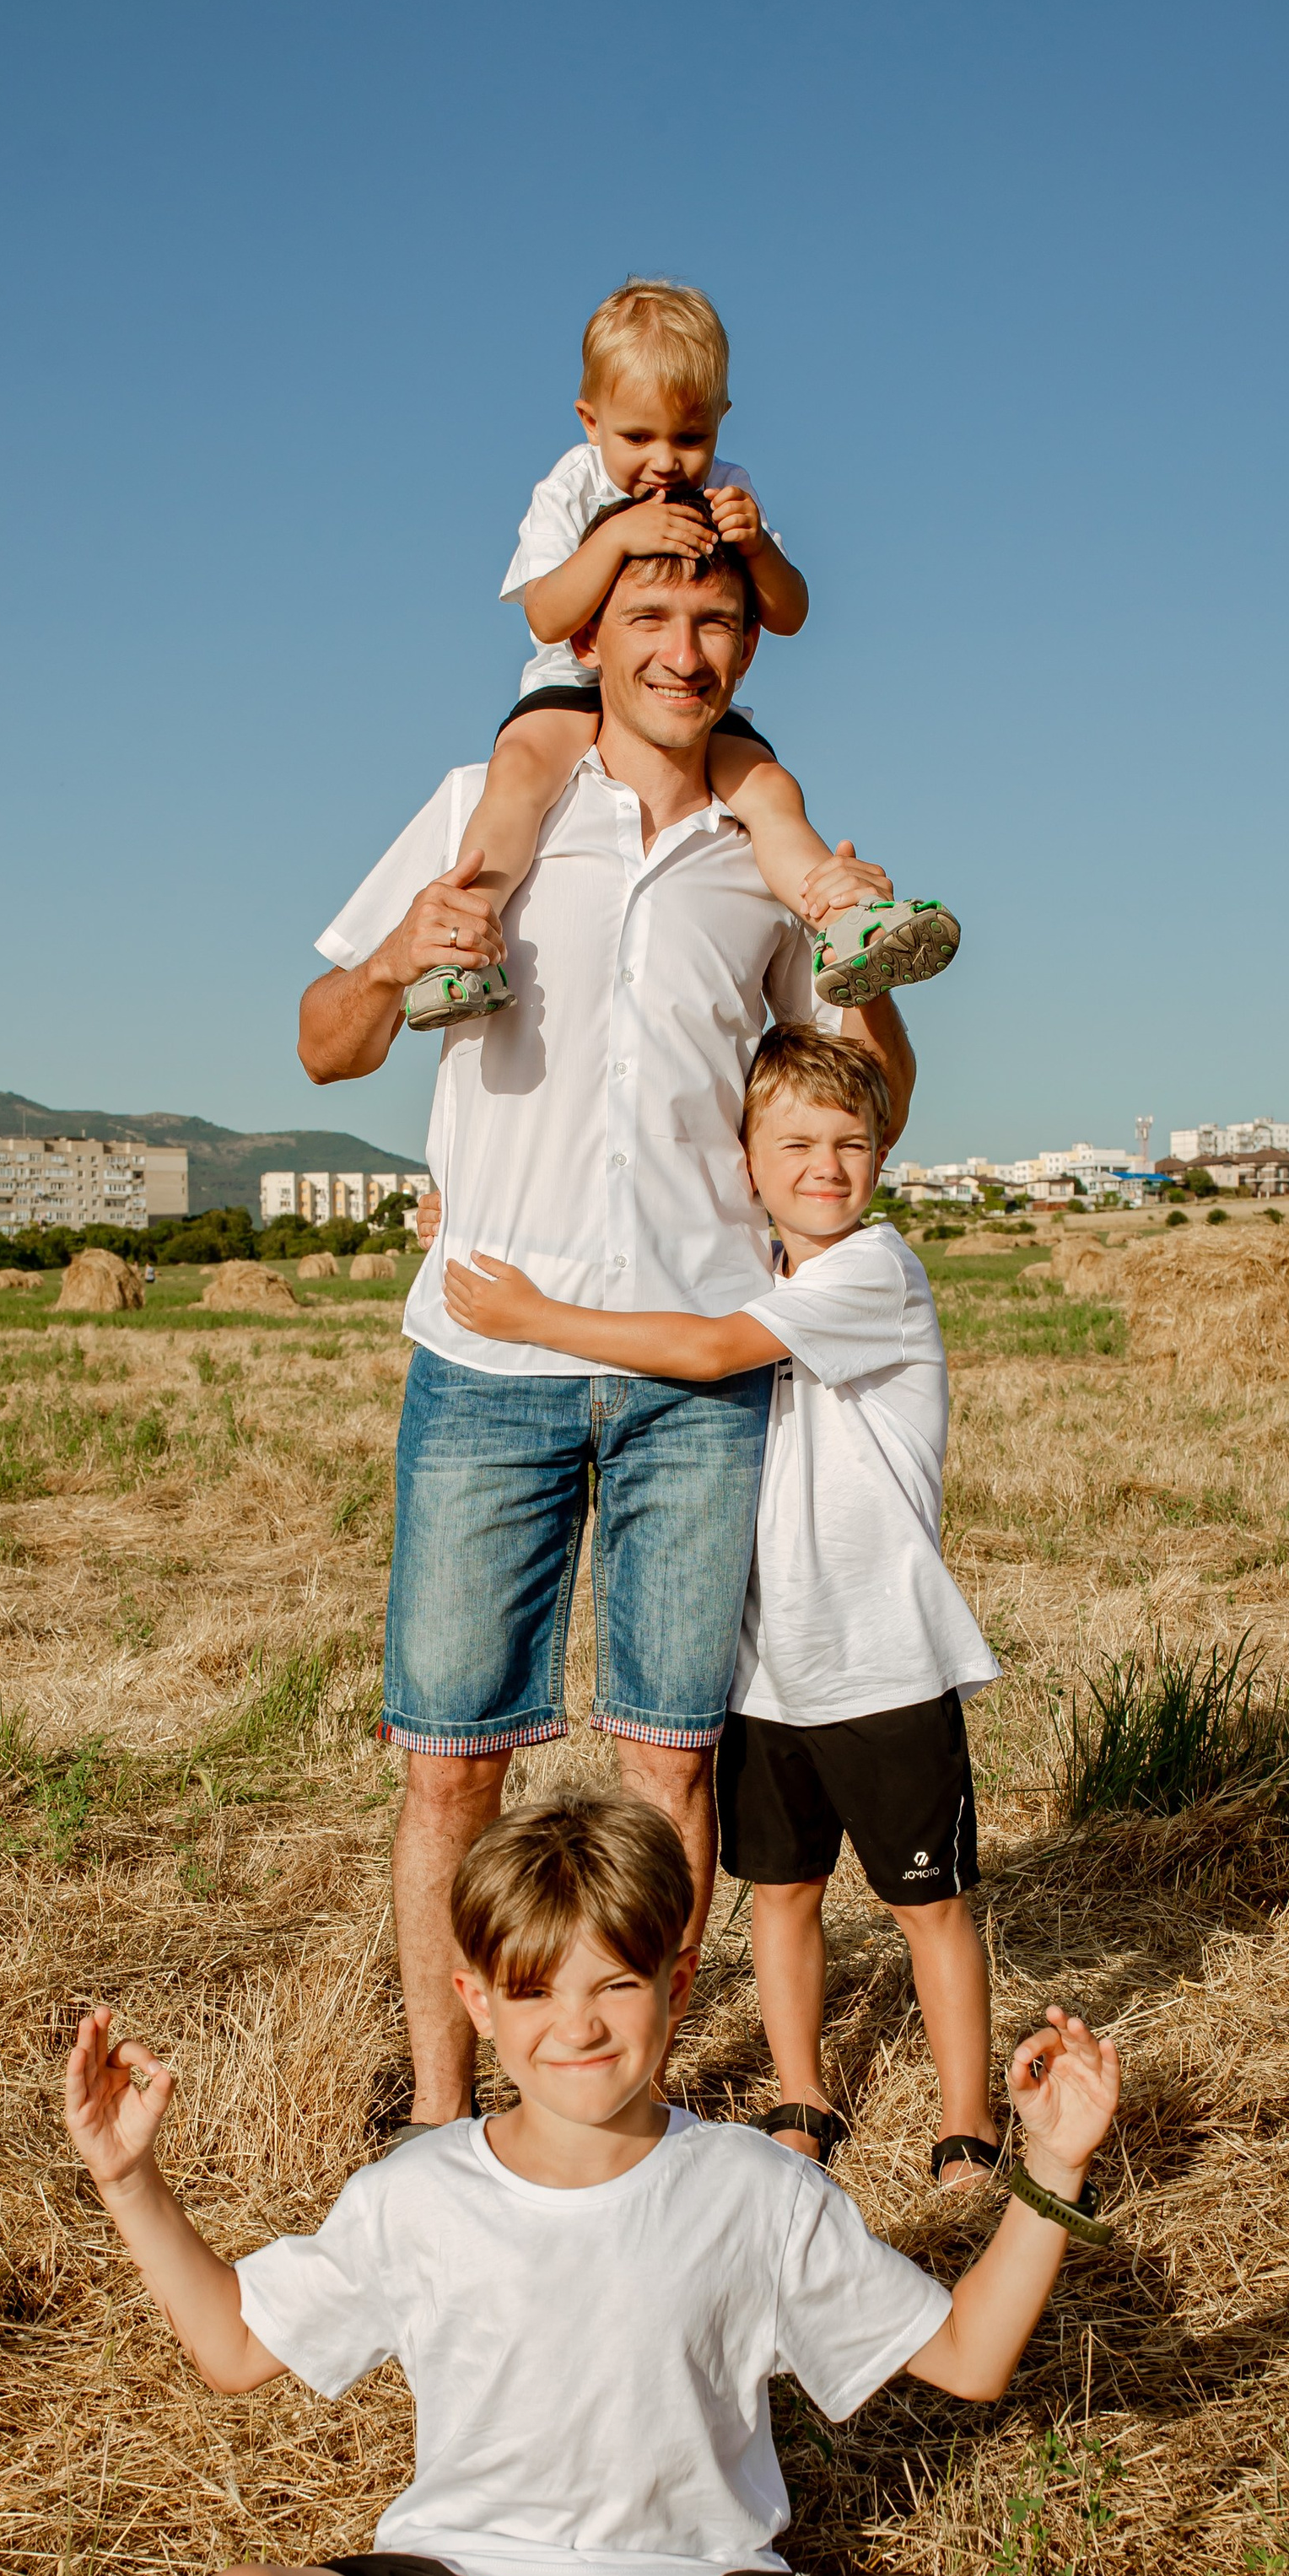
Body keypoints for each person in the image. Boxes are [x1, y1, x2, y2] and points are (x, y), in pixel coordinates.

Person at [60, 1794, 1120, 2576]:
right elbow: (230, 2346)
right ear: (473, 2000)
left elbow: (969, 2356)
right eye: (532, 1991)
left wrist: (1051, 2171)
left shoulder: (755, 2188)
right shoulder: (414, 2197)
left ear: (675, 1986)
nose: (577, 2026)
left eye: (613, 1983)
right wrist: (128, 2179)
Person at [299, 482, 922, 2143]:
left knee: (670, 1766)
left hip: (691, 1380)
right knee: (448, 1766)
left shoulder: (756, 845)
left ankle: (635, 2090)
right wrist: (392, 965)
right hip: (486, 1362)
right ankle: (442, 2114)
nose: (683, 647)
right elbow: (321, 1042)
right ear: (587, 636)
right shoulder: (483, 809)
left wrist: (858, 960)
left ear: (746, 641)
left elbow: (851, 1096)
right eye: (647, 615)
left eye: (714, 618)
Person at [446, 1027, 1006, 2190]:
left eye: (853, 1143)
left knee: (929, 1906)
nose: (827, 1165)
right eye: (795, 1141)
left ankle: (967, 2125)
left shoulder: (874, 1270)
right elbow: (642, 1255)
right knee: (782, 1899)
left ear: (885, 1154)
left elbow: (703, 1348)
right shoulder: (757, 1262)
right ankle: (803, 2098)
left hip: (885, 1659)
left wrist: (534, 1319)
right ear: (743, 1159)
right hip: (763, 1671)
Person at [400, 278, 961, 1033]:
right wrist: (615, 540)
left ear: (722, 424)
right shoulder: (570, 488)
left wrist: (757, 547)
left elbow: (790, 614)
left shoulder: (730, 489)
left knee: (768, 790)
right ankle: (465, 944)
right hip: (572, 685)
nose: (665, 463)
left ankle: (842, 916)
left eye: (690, 440)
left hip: (689, 705)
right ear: (590, 420)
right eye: (638, 438)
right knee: (520, 777)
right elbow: (546, 615)